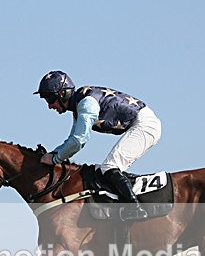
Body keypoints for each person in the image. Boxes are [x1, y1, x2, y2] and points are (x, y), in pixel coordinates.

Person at [34, 70, 162, 221]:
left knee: (109, 167)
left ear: (62, 93)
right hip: (141, 122)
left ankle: (135, 209)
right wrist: (54, 154)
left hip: (145, 125)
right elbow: (72, 139)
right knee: (109, 168)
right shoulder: (78, 103)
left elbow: (78, 141)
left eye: (50, 99)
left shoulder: (86, 103)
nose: (49, 106)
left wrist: (55, 159)